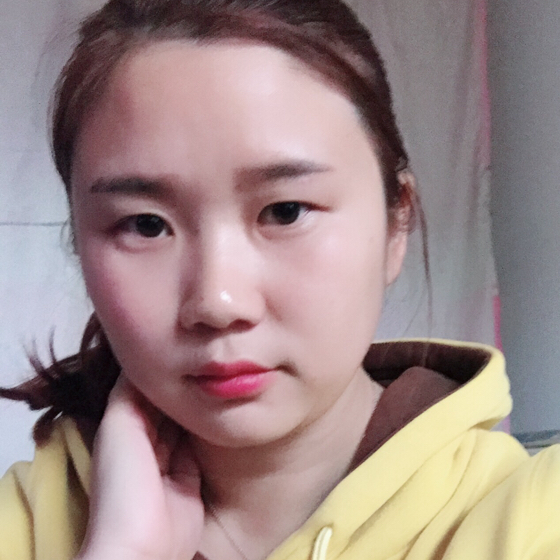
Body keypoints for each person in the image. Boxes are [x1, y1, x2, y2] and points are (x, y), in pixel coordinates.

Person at [1, 0, 559, 559]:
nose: (218, 301)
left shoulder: (533, 520)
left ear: (397, 222)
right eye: (146, 225)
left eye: (285, 212)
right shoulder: (20, 525)